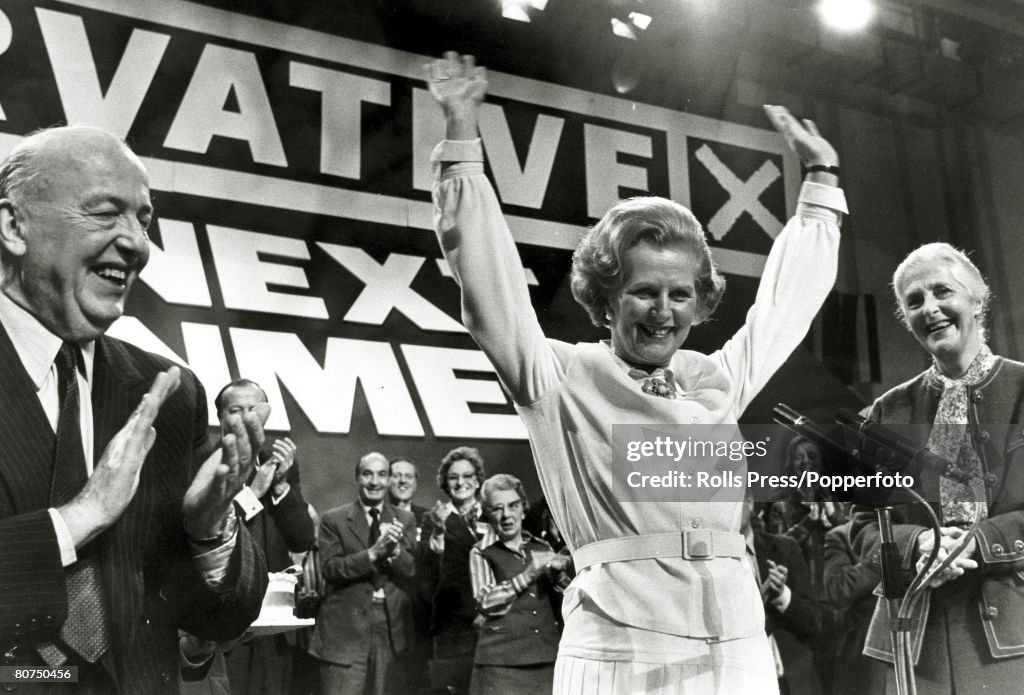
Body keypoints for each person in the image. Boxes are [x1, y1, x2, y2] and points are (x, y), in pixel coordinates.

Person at [425, 51, 847, 694]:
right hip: (623, 648)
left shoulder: (715, 378)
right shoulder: (559, 377)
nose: (663, 311)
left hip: (738, 651)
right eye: (644, 292)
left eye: (681, 294)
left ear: (701, 299)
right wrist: (461, 141)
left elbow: (786, 307)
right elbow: (489, 286)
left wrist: (819, 181)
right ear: (606, 296)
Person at [0, 125, 269, 694]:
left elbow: (220, 617)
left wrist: (208, 530)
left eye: (143, 221)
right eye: (105, 214)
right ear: (13, 226)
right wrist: (79, 518)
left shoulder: (169, 392)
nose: (138, 245)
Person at [851, 243, 1024, 694]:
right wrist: (920, 543)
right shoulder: (885, 413)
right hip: (915, 641)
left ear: (978, 299)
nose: (930, 309)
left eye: (942, 291)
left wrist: (978, 543)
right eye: (914, 301)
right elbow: (864, 528)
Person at [214, 379, 316, 695]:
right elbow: (211, 531)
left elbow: (301, 538)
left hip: (275, 624)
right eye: (236, 410)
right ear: (220, 419)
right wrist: (255, 491)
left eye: (254, 409)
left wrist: (282, 485)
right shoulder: (206, 462)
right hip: (225, 623)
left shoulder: (280, 462)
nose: (247, 418)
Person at [309, 452, 417, 695]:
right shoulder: (333, 519)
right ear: (357, 478)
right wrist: (372, 553)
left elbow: (411, 569)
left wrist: (394, 551)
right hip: (345, 631)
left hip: (391, 630)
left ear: (389, 480)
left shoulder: (405, 519)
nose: (375, 482)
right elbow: (330, 569)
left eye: (382, 474)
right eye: (368, 474)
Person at [467, 474, 570, 695]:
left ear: (523, 509)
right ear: (487, 514)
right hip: (501, 665)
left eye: (513, 506)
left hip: (546, 659)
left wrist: (559, 576)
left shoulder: (541, 546)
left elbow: (565, 597)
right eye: (497, 509)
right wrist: (529, 574)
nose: (506, 515)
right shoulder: (480, 551)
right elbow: (485, 601)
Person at [419, 445, 488, 678]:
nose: (460, 483)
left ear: (478, 481)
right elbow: (427, 570)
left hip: (492, 618)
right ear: (445, 483)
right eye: (453, 477)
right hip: (452, 624)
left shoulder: (493, 515)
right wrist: (438, 532)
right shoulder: (434, 518)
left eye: (467, 476)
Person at [766, 436, 848, 595]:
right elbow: (777, 553)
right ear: (792, 465)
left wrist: (835, 518)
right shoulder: (780, 506)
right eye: (799, 457)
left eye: (812, 456)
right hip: (801, 597)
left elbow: (856, 548)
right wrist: (809, 522)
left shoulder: (839, 505)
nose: (806, 461)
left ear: (822, 464)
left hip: (837, 599)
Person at [389, 457, 429, 528]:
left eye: (409, 476)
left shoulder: (429, 518)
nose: (403, 480)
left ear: (415, 485)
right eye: (396, 476)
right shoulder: (374, 516)